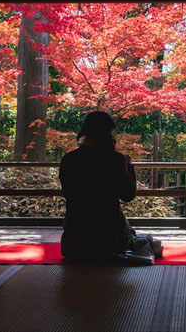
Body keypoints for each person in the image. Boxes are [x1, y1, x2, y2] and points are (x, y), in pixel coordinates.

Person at [59, 111, 162, 263]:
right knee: (153, 243)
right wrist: (129, 167)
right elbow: (128, 195)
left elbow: (69, 193)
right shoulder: (115, 159)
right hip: (111, 241)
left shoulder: (68, 159)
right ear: (107, 132)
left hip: (74, 242)